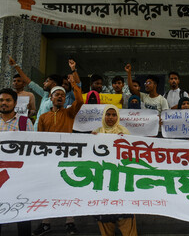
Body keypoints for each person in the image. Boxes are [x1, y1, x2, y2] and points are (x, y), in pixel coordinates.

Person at [33, 75, 83, 235]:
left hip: (67, 157)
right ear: (51, 98)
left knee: (69, 188)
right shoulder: (43, 117)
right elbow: (40, 139)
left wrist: (74, 84)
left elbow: (80, 102)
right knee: (48, 189)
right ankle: (45, 222)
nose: (60, 96)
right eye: (57, 94)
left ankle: (70, 222)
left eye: (62, 94)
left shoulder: (69, 113)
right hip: (49, 159)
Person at [91, 105, 137, 236]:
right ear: (104, 116)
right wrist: (90, 140)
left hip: (121, 183)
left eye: (114, 115)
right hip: (102, 184)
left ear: (118, 117)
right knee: (105, 226)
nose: (110, 118)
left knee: (128, 223)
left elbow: (130, 156)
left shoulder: (124, 132)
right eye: (108, 114)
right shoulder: (96, 132)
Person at [0, 88, 33, 236]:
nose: (4, 103)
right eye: (1, 100)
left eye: (7, 100)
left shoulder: (24, 122)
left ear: (15, 102)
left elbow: (33, 147)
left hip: (19, 174)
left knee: (22, 209)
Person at [9, 56, 63, 131]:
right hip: (36, 130)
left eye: (47, 81)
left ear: (54, 84)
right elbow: (29, 82)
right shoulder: (45, 95)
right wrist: (15, 66)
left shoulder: (58, 101)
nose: (44, 83)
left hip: (47, 132)